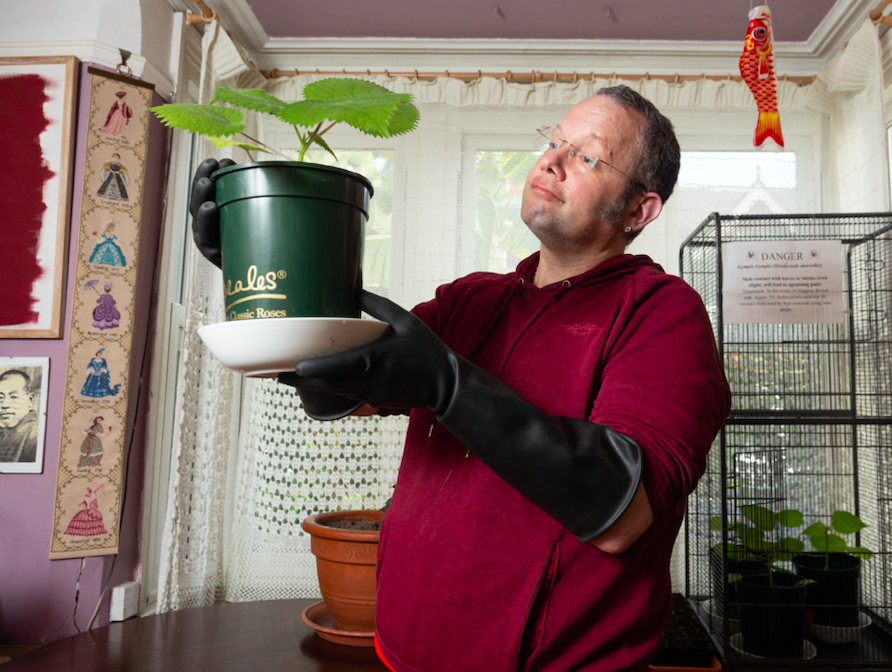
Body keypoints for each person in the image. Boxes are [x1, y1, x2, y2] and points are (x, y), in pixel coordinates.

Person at [190, 85, 731, 671]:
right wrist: (265, 267)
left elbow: (624, 516)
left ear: (639, 209)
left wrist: (450, 387)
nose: (549, 160)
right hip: (400, 652)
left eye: (586, 156)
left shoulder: (663, 313)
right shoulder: (470, 300)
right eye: (553, 142)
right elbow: (340, 385)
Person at [0, 369, 40, 463]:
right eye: (0, 398)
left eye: (14, 397)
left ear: (30, 400)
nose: (4, 405)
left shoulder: (37, 435)